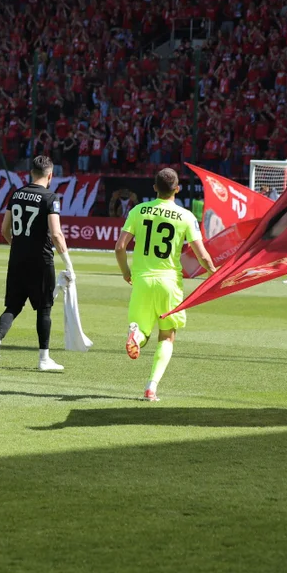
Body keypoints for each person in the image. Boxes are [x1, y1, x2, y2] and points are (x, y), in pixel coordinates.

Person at [115, 168, 217, 401]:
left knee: (142, 329)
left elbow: (120, 247)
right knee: (167, 335)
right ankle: (151, 387)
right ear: (177, 189)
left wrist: (125, 272)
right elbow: (201, 254)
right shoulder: (186, 216)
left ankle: (136, 338)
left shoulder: (138, 211)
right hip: (169, 282)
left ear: (154, 188)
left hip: (141, 280)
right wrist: (214, 273)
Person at [0, 156, 74, 373]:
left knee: (13, 307)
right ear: (50, 175)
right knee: (44, 310)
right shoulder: (50, 197)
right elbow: (56, 234)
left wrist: (17, 246)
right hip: (41, 260)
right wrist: (69, 264)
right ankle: (44, 359)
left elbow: (5, 229)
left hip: (17, 258)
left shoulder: (16, 194)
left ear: (30, 173)